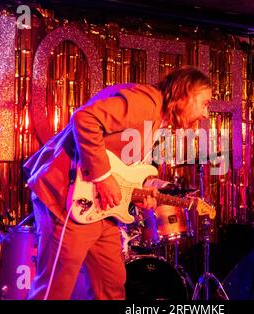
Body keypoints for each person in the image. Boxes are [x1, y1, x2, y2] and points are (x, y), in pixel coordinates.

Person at [23, 66, 212, 300]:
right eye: (204, 103)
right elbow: (85, 118)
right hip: (68, 198)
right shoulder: (146, 102)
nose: (205, 113)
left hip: (100, 209)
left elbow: (120, 168)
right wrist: (103, 178)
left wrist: (143, 190)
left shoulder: (157, 119)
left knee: (112, 287)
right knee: (54, 290)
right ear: (186, 92)